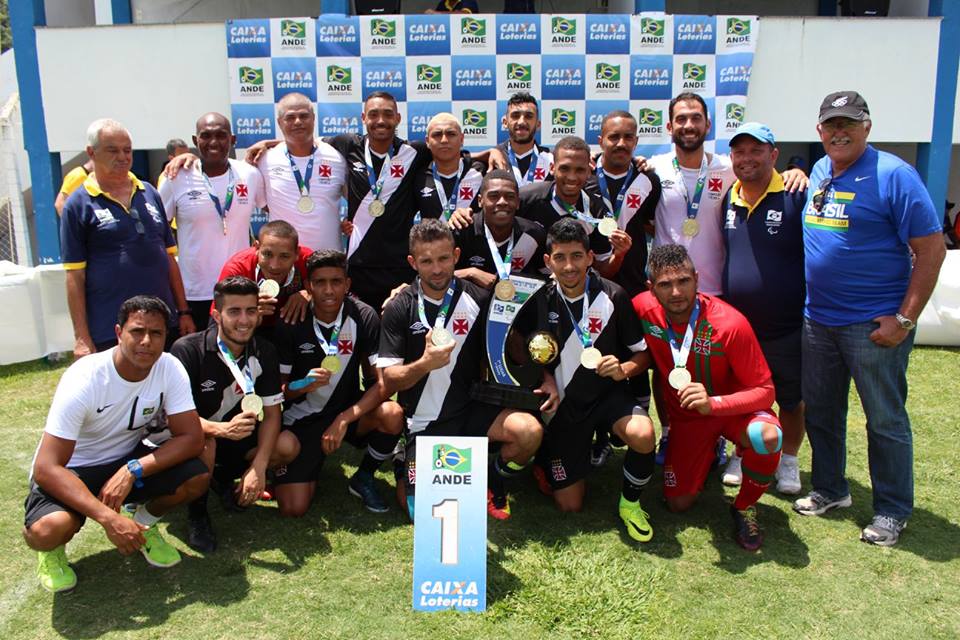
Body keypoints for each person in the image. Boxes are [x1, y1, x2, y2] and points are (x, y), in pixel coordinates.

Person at [792, 91, 945, 547]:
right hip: (818, 320)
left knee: (884, 419)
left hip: (872, 325)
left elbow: (931, 250)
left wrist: (905, 318)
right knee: (821, 410)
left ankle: (893, 510)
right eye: (831, 124)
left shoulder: (895, 175)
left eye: (849, 124)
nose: (839, 132)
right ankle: (830, 489)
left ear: (867, 128)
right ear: (819, 131)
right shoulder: (820, 170)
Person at [647, 93, 806, 470]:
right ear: (669, 127)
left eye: (696, 118)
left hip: (716, 291)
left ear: (707, 125)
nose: (688, 125)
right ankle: (671, 433)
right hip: (668, 290)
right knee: (666, 368)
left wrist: (796, 170)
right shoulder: (652, 169)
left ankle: (722, 437)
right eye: (681, 119)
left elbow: (766, 175)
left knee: (720, 375)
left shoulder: (728, 168)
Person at [22, 296, 208, 592]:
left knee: (196, 476)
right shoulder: (85, 377)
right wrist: (108, 518)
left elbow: (192, 437)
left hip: (126, 459)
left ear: (166, 336)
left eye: (156, 333)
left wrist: (133, 469)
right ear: (119, 332)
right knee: (47, 530)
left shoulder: (169, 367)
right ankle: (52, 553)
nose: (146, 341)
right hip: (74, 469)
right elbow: (47, 467)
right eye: (137, 331)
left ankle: (143, 524)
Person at [378, 220, 547, 520]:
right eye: (426, 261)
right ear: (412, 262)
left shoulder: (478, 300)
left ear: (456, 255)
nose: (437, 269)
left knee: (529, 432)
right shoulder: (399, 307)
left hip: (471, 411)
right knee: (421, 514)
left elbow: (509, 353)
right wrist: (424, 364)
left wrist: (546, 375)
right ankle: (404, 456)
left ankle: (493, 480)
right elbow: (389, 379)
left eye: (443, 258)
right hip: (424, 423)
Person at [633, 244, 784, 551]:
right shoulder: (641, 309)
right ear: (651, 288)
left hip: (731, 413)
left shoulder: (730, 323)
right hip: (689, 421)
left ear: (697, 279)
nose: (676, 292)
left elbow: (766, 390)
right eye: (665, 284)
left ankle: (744, 505)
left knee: (766, 436)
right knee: (678, 504)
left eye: (684, 281)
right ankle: (711, 453)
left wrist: (715, 404)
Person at [535, 219, 657, 542]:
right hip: (566, 406)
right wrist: (545, 377)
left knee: (643, 434)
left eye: (577, 256)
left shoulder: (614, 296)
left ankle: (630, 502)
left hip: (607, 396)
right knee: (569, 507)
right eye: (560, 257)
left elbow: (643, 355)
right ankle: (548, 454)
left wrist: (624, 369)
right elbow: (527, 350)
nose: (569, 265)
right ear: (548, 262)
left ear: (590, 258)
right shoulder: (540, 299)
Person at [169, 276, 297, 552]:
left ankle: (224, 481)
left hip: (239, 440)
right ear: (216, 315)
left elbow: (273, 414)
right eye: (234, 311)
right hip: (195, 441)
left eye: (251, 311)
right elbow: (175, 420)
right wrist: (219, 430)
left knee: (288, 445)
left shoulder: (265, 351)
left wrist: (259, 468)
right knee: (206, 442)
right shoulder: (187, 351)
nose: (244, 320)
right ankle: (198, 513)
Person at [274, 250, 404, 516]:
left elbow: (382, 385)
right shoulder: (292, 319)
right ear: (308, 286)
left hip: (345, 410)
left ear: (347, 284)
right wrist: (302, 385)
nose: (329, 290)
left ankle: (364, 476)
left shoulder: (364, 316)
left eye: (336, 281)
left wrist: (344, 419)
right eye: (320, 282)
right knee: (293, 508)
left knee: (392, 414)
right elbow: (277, 394)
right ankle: (290, 465)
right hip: (303, 417)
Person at [719, 123, 806, 495]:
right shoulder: (729, 198)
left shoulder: (795, 194)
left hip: (784, 325)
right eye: (740, 152)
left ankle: (788, 459)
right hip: (739, 328)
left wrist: (802, 169)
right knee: (740, 393)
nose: (747, 158)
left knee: (789, 397)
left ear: (774, 155)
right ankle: (742, 451)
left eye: (757, 150)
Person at [61, 119, 194, 357]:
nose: (122, 157)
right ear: (91, 152)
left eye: (127, 150)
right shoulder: (78, 204)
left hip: (162, 323)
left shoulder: (149, 192)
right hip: (111, 328)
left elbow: (168, 257)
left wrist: (183, 311)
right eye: (112, 150)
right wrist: (81, 337)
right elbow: (74, 275)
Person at [587, 110, 661, 467]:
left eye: (628, 137)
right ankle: (598, 435)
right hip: (590, 286)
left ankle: (638, 431)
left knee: (636, 356)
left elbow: (651, 225)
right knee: (596, 356)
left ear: (635, 141)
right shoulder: (585, 178)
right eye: (613, 137)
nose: (620, 144)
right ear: (600, 139)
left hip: (631, 288)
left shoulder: (650, 180)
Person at [160, 113, 265, 329]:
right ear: (195, 140)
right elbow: (158, 230)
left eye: (221, 135)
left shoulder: (250, 174)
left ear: (233, 140)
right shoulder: (176, 177)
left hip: (240, 289)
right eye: (206, 136)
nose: (214, 142)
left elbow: (278, 209)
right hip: (195, 294)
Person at [516, 136, 625, 280]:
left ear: (588, 171)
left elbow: (604, 271)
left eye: (579, 170)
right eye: (565, 168)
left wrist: (619, 254)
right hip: (526, 285)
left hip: (573, 287)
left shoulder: (597, 211)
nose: (572, 177)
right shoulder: (525, 199)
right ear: (552, 168)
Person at [258, 93, 347, 252]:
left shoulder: (337, 158)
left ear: (313, 118)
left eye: (304, 116)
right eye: (290, 117)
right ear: (279, 122)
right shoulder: (264, 160)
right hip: (284, 261)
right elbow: (264, 204)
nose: (298, 122)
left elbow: (354, 198)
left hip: (328, 258)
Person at [216, 220, 312, 344]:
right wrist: (247, 311)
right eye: (267, 254)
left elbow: (333, 291)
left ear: (297, 253)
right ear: (256, 248)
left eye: (284, 256)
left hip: (292, 333)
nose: (274, 266)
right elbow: (219, 322)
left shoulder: (308, 261)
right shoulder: (238, 269)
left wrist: (310, 293)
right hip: (250, 334)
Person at [453, 169, 547, 288]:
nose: (502, 202)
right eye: (494, 196)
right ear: (480, 201)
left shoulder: (535, 234)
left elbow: (548, 278)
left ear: (518, 202)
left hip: (514, 304)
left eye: (510, 196)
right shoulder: (461, 231)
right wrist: (470, 273)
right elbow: (432, 276)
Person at [413, 113, 483, 224]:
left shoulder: (481, 171)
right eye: (437, 134)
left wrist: (494, 152)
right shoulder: (417, 177)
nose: (444, 140)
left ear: (461, 139)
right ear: (427, 141)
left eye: (451, 134)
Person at [497, 92, 553, 187]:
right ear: (505, 122)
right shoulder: (493, 158)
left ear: (538, 124)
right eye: (515, 116)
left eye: (529, 116)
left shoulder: (551, 160)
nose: (522, 121)